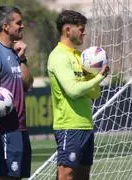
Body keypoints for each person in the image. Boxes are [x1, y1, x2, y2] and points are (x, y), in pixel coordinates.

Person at [47, 10, 110, 180]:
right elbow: (73, 91)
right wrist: (98, 77)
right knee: (66, 174)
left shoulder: (81, 56)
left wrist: (93, 76)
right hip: (69, 126)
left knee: (83, 175)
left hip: (86, 125)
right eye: (81, 29)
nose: (84, 32)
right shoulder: (59, 56)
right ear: (68, 30)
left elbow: (94, 94)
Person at [0, 6, 34, 180]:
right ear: (5, 26)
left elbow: (28, 84)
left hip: (20, 129)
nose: (22, 26)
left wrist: (22, 58)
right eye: (18, 23)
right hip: (6, 130)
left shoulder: (14, 53)